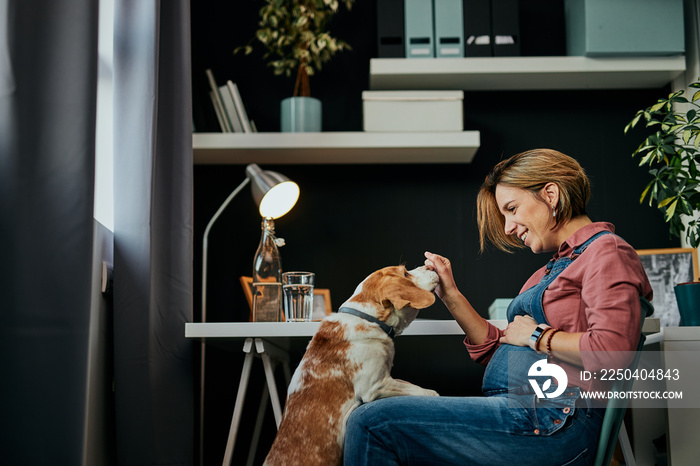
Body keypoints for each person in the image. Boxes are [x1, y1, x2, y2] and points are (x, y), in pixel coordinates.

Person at [343, 148, 653, 466]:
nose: (507, 227)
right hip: (524, 412)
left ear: (550, 194)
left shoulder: (607, 252)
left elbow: (614, 352)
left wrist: (537, 336)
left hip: (554, 421)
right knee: (374, 422)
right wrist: (451, 295)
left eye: (512, 208)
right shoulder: (549, 269)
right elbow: (499, 350)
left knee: (372, 423)